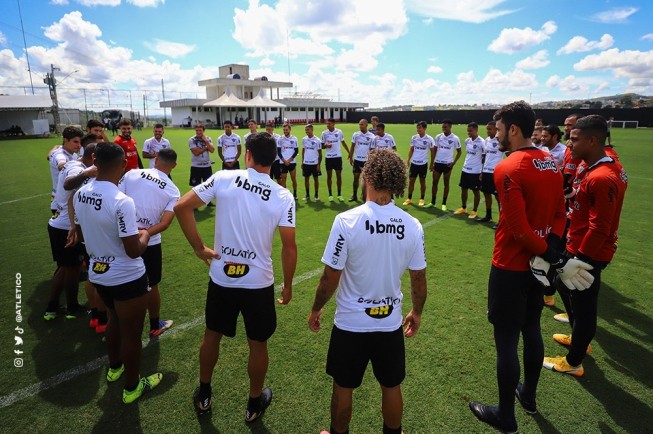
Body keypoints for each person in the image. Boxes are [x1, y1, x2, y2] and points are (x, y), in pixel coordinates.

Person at [174, 132, 297, 420]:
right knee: (258, 343)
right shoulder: (283, 194)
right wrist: (288, 284)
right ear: (275, 158)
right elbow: (289, 247)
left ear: (247, 155)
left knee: (212, 336)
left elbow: (181, 207)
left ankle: (204, 393)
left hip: (222, 278)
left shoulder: (224, 177)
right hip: (258, 283)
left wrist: (199, 248)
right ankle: (254, 404)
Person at [308, 148, 427, 434]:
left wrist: (315, 308)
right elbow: (419, 280)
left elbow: (328, 279)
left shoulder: (347, 221)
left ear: (367, 177)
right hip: (389, 323)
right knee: (391, 385)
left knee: (343, 386)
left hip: (351, 324)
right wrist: (417, 313)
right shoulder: (412, 225)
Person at [469, 101, 569, 433]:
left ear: (513, 129)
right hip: (538, 267)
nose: (495, 134)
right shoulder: (551, 164)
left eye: (498, 128)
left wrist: (550, 254)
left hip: (511, 267)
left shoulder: (508, 167)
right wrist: (552, 248)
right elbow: (559, 213)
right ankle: (528, 396)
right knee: (532, 329)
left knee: (507, 340)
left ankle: (506, 416)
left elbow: (518, 229)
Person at [73, 142, 162, 404]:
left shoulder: (81, 194)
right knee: (132, 334)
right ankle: (133, 386)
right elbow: (134, 250)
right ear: (123, 165)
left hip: (98, 273)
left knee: (112, 319)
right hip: (126, 276)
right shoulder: (122, 201)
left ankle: (114, 368)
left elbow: (79, 232)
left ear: (94, 163)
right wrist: (145, 234)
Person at [543, 115, 627, 377]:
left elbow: (600, 227)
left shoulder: (601, 177)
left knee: (584, 304)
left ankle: (574, 360)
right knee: (562, 285)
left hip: (589, 250)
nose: (569, 143)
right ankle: (579, 338)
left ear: (593, 141)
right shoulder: (589, 165)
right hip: (577, 242)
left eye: (575, 139)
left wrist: (580, 260)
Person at [118, 148, 180, 338]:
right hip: (150, 242)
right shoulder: (173, 190)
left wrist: (130, 229)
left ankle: (112, 324)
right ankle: (154, 326)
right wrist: (144, 232)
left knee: (120, 280)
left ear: (155, 159)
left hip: (121, 236)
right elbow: (165, 223)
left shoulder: (132, 173)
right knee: (151, 284)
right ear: (174, 166)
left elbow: (116, 200)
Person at [44, 140, 94, 321]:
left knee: (64, 268)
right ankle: (72, 307)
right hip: (66, 227)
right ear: (93, 158)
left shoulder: (74, 162)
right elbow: (68, 185)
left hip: (58, 223)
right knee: (72, 269)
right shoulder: (77, 169)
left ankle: (51, 307)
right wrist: (74, 228)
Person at [428, 119, 462, 210]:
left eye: (445, 127)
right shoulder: (438, 137)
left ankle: (444, 203)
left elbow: (459, 152)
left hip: (447, 165)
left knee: (446, 183)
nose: (444, 129)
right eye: (443, 127)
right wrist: (432, 163)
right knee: (434, 182)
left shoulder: (455, 138)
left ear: (450, 127)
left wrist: (453, 163)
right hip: (438, 163)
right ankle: (433, 202)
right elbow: (434, 150)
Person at [453, 122, 484, 218]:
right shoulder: (467, 141)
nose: (469, 133)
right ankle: (464, 208)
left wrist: (482, 171)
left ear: (476, 130)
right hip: (465, 169)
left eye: (470, 131)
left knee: (475, 191)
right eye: (468, 131)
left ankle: (474, 211)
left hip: (476, 171)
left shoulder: (482, 142)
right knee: (464, 188)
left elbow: (484, 157)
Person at [49, 126, 83, 214]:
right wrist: (82, 160)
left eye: (80, 142)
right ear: (65, 140)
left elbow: (49, 156)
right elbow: (61, 165)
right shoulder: (60, 155)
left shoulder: (72, 154)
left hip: (63, 200)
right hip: (61, 203)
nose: (79, 145)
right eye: (75, 142)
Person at [476, 121, 504, 224]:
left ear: (496, 130)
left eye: (490, 129)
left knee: (498, 197)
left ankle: (501, 220)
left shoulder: (501, 141)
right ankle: (488, 216)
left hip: (496, 172)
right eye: (487, 129)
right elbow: (486, 156)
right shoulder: (486, 140)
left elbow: (509, 155)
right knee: (486, 193)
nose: (488, 131)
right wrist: (482, 171)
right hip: (486, 171)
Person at [402, 121, 435, 207]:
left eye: (419, 128)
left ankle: (422, 199)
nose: (418, 129)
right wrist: (408, 160)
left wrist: (432, 163)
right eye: (417, 127)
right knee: (411, 181)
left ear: (424, 128)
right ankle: (409, 198)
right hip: (414, 163)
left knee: (422, 181)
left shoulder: (429, 139)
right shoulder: (414, 138)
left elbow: (432, 152)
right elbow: (411, 149)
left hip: (423, 164)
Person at [321, 118, 351, 202]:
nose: (327, 125)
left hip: (337, 157)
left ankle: (339, 194)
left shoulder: (339, 132)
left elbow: (343, 142)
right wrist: (326, 145)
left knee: (339, 176)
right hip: (329, 158)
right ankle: (330, 195)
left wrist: (349, 152)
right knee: (329, 176)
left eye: (329, 124)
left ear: (334, 124)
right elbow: (321, 146)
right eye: (327, 124)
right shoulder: (324, 133)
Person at [188, 124, 215, 207]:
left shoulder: (208, 138)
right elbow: (196, 153)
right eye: (197, 130)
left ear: (204, 131)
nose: (198, 132)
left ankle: (208, 202)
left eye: (200, 130)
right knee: (196, 186)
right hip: (196, 166)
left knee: (208, 185)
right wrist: (206, 148)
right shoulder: (192, 140)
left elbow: (212, 150)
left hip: (207, 166)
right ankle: (194, 205)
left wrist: (206, 141)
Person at [348, 119, 375, 202]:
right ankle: (354, 195)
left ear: (366, 125)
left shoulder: (372, 136)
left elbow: (372, 150)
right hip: (357, 160)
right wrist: (350, 157)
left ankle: (365, 196)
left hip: (367, 161)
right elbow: (352, 146)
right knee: (356, 178)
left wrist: (371, 161)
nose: (360, 126)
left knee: (367, 180)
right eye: (359, 124)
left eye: (362, 124)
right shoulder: (356, 135)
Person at [301, 124, 322, 201]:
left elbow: (320, 153)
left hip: (315, 163)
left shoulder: (317, 140)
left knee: (316, 179)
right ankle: (307, 194)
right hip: (306, 163)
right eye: (306, 130)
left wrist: (319, 164)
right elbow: (303, 151)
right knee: (306, 179)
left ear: (312, 130)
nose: (307, 131)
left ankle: (316, 194)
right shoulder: (304, 139)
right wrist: (302, 161)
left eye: (308, 130)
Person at [278, 123, 299, 199]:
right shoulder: (280, 139)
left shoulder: (294, 139)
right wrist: (284, 161)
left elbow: (296, 151)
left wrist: (289, 160)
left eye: (286, 130)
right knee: (283, 179)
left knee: (293, 179)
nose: (285, 131)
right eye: (284, 130)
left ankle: (295, 194)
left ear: (290, 129)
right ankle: (285, 195)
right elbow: (278, 152)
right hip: (283, 163)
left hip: (292, 162)